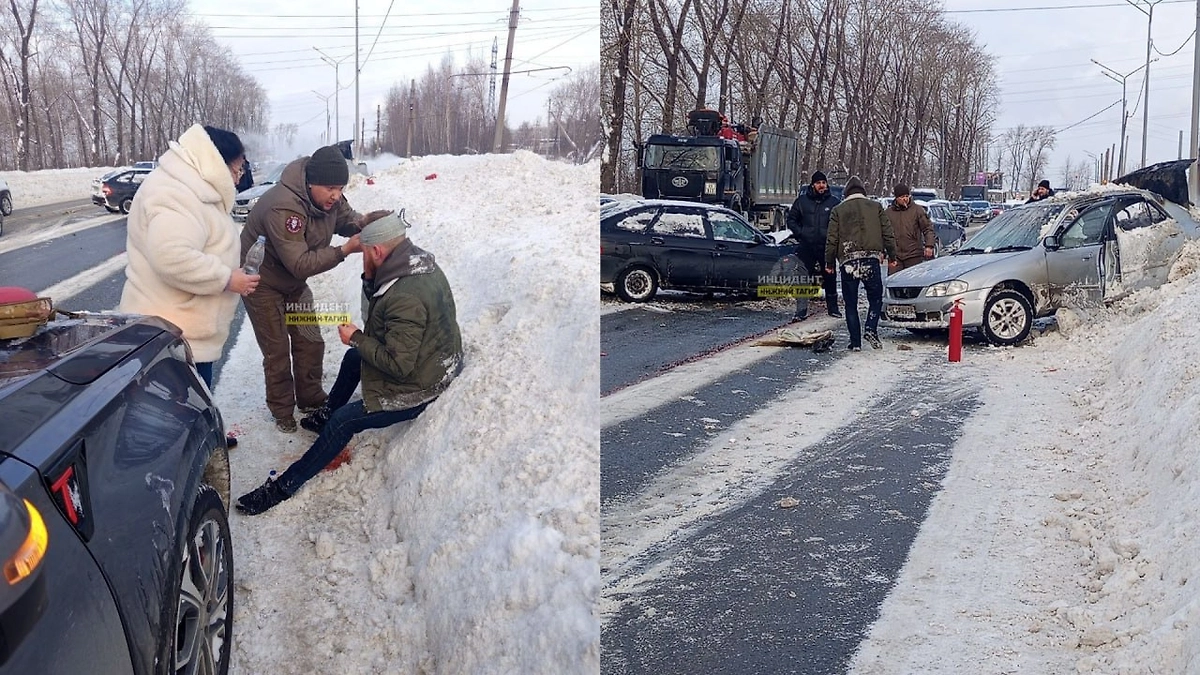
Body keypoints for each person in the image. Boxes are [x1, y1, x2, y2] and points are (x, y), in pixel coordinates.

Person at [235, 211, 464, 515]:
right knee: (353, 358)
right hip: (429, 363)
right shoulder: (410, 264)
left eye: (365, 253)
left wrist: (357, 336)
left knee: (344, 421)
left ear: (378, 251)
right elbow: (380, 323)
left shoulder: (405, 296)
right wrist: (369, 279)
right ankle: (324, 416)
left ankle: (283, 486)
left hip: (418, 387)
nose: (363, 259)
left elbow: (398, 366)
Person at [240, 145, 391, 432]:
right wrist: (345, 249)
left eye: (340, 188)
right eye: (330, 188)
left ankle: (309, 398)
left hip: (293, 283)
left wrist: (371, 225)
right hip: (263, 283)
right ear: (311, 183)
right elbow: (299, 263)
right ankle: (282, 409)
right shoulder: (285, 207)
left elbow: (348, 219)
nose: (336, 195)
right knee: (277, 351)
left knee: (309, 339)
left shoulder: (329, 200)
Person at [119, 123, 260, 392]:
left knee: (192, 407)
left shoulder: (193, 188)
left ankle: (205, 433)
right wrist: (227, 278)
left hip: (183, 334)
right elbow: (172, 256)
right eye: (237, 168)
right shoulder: (176, 193)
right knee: (177, 413)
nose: (239, 177)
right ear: (216, 161)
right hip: (171, 338)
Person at [825, 176, 896, 351]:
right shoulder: (876, 207)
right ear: (863, 192)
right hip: (870, 259)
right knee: (875, 298)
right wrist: (892, 255)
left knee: (851, 303)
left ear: (846, 194)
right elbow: (888, 233)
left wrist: (829, 262)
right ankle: (871, 327)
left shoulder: (838, 210)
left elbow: (832, 238)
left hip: (848, 261)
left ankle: (855, 342)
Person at [786, 170, 842, 321]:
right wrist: (801, 233)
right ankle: (801, 311)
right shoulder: (802, 201)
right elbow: (791, 219)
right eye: (818, 183)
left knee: (830, 277)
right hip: (806, 245)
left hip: (826, 246)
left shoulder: (834, 202)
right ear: (813, 185)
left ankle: (833, 309)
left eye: (824, 182)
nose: (822, 185)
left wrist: (834, 239)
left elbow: (841, 223)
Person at [885, 183, 936, 271]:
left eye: (906, 196)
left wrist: (929, 246)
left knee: (913, 281)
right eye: (901, 197)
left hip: (914, 254)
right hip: (895, 256)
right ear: (896, 198)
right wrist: (882, 251)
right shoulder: (888, 213)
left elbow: (928, 228)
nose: (904, 199)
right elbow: (884, 233)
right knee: (894, 282)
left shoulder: (917, 210)